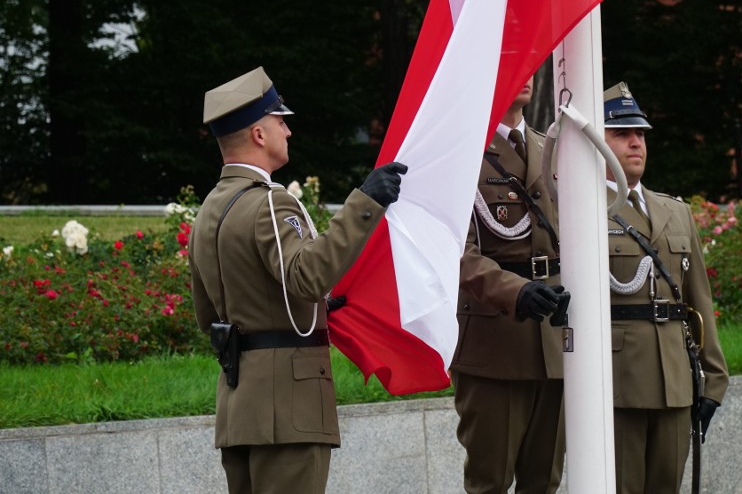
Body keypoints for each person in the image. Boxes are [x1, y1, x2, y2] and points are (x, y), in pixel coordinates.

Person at [188, 66, 407, 494]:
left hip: (239, 408)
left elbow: (206, 315)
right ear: (258, 134)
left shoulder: (208, 211)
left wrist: (313, 309)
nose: (287, 131)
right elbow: (307, 275)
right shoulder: (271, 203)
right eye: (279, 121)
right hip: (288, 408)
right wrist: (365, 203)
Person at [603, 81, 728, 494]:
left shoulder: (676, 211)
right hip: (618, 382)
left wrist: (713, 379)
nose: (636, 142)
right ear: (598, 144)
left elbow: (698, 301)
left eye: (640, 134)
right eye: (621, 134)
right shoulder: (578, 209)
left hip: (675, 380)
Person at [451, 75, 570, 493]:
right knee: (491, 483)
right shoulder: (460, 155)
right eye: (509, 63)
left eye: (530, 65)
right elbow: (455, 253)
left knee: (544, 482)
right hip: (495, 341)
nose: (526, 75)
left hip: (555, 341)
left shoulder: (553, 151)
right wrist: (515, 292)